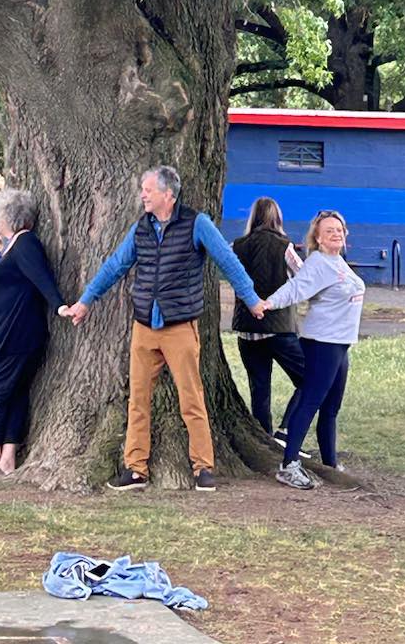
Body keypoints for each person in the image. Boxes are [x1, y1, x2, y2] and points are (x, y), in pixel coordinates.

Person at [58, 165, 265, 493]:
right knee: (137, 400)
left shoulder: (197, 224)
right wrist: (85, 301)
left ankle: (203, 468)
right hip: (144, 326)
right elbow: (115, 265)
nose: (142, 194)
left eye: (148, 189)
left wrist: (252, 299)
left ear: (168, 195)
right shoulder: (141, 228)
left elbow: (227, 260)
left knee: (191, 399)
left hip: (180, 326)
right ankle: (136, 469)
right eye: (143, 189)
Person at [260, 209, 365, 490]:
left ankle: (331, 465)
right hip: (322, 343)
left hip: (340, 344)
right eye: (328, 230)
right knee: (311, 401)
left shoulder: (337, 262)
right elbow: (296, 288)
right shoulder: (318, 263)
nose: (336, 233)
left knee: (331, 407)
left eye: (339, 229)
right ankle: (288, 464)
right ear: (317, 238)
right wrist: (268, 303)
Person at [0, 188, 64, 474]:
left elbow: (41, 278)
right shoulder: (14, 245)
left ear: (5, 217)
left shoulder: (25, 243)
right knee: (14, 393)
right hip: (8, 335)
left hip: (13, 337)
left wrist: (61, 306)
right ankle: (7, 455)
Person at [231, 196, 305, 440]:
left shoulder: (236, 246)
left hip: (246, 330)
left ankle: (264, 437)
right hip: (278, 328)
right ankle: (285, 432)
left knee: (259, 390)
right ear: (277, 218)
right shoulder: (283, 246)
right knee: (310, 379)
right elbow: (304, 277)